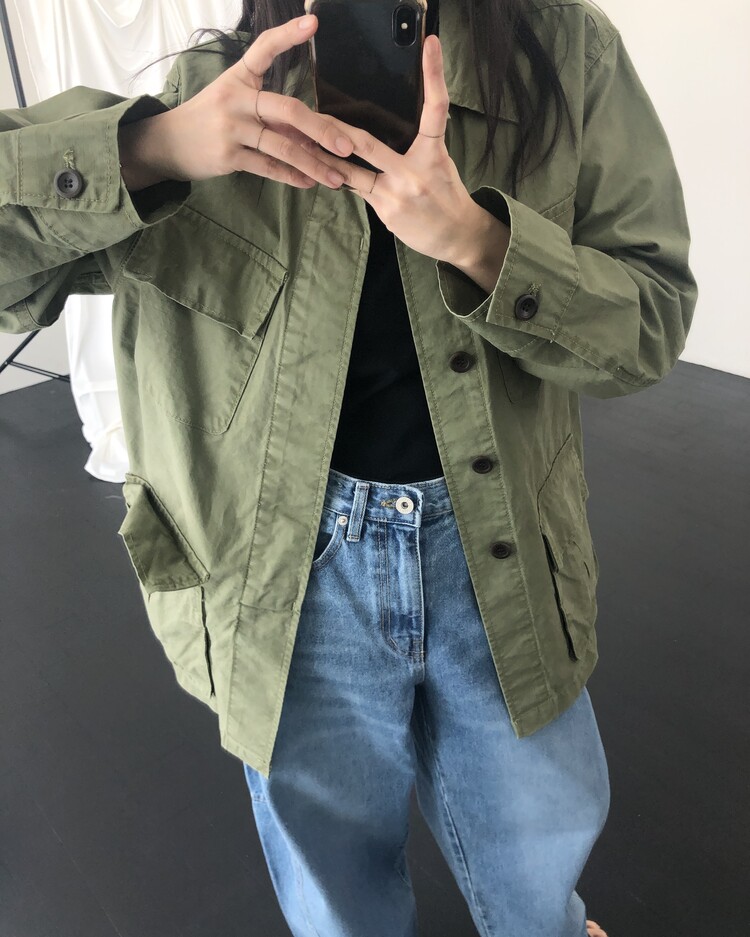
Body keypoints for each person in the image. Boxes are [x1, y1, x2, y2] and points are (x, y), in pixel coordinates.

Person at [0, 0, 698, 934]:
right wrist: (153, 149)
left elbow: (651, 319)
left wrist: (478, 241)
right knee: (336, 898)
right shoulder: (210, 92)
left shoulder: (567, 58)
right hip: (288, 582)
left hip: (501, 561)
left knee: (538, 863)